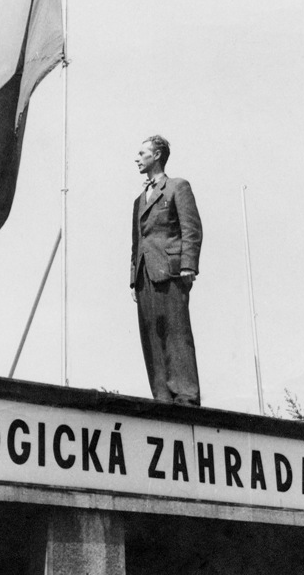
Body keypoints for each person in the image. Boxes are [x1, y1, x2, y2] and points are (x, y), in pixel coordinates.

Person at [131, 135, 203, 406]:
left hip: (171, 271)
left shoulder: (177, 187)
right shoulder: (139, 200)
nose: (136, 158)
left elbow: (191, 228)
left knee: (176, 332)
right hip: (144, 276)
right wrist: (132, 281)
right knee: (151, 335)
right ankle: (162, 397)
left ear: (157, 155)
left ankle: (186, 395)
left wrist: (188, 265)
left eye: (142, 153)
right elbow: (136, 242)